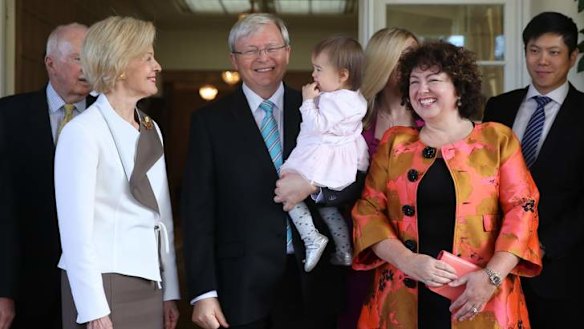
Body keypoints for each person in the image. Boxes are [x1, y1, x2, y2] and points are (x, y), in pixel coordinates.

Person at [352, 41, 543, 329]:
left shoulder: (497, 140)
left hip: (480, 294)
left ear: (458, 87)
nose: (421, 89)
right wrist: (407, 260)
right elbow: (368, 210)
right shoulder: (395, 144)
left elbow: (523, 210)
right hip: (403, 298)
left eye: (433, 80)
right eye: (414, 82)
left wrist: (490, 277)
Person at [182, 13, 349, 329]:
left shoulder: (320, 110)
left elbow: (349, 180)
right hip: (240, 285)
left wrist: (315, 188)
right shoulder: (209, 122)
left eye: (272, 47)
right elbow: (197, 212)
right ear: (234, 59)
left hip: (312, 284)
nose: (263, 58)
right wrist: (203, 291)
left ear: (287, 51)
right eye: (250, 50)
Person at [54, 16, 180, 329]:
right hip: (102, 286)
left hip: (149, 284)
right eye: (148, 57)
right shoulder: (81, 132)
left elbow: (162, 216)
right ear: (120, 64)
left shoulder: (152, 128)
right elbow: (75, 232)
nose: (158, 66)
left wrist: (170, 291)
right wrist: (93, 309)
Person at [482, 11, 584, 329]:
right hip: (495, 264)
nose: (542, 61)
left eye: (554, 52)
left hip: (560, 269)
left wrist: (542, 245)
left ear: (572, 57)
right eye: (534, 50)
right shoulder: (498, 107)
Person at [0, 22, 92, 329]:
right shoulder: (7, 116)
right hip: (25, 282)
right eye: (79, 58)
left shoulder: (113, 118)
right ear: (50, 63)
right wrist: (4, 290)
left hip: (94, 287)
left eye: (93, 57)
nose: (88, 68)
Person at [338, 27, 420, 329]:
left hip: (417, 241)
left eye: (411, 57)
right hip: (360, 239)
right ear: (381, 63)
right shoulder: (354, 120)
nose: (406, 67)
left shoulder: (430, 120)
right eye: (398, 59)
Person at [279, 35, 368, 272]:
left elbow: (316, 126)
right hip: (338, 162)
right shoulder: (356, 99)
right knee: (328, 208)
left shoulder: (332, 100)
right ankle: (344, 248)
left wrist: (307, 101)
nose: (314, 75)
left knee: (287, 188)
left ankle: (311, 237)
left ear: (342, 75)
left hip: (318, 158)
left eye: (319, 69)